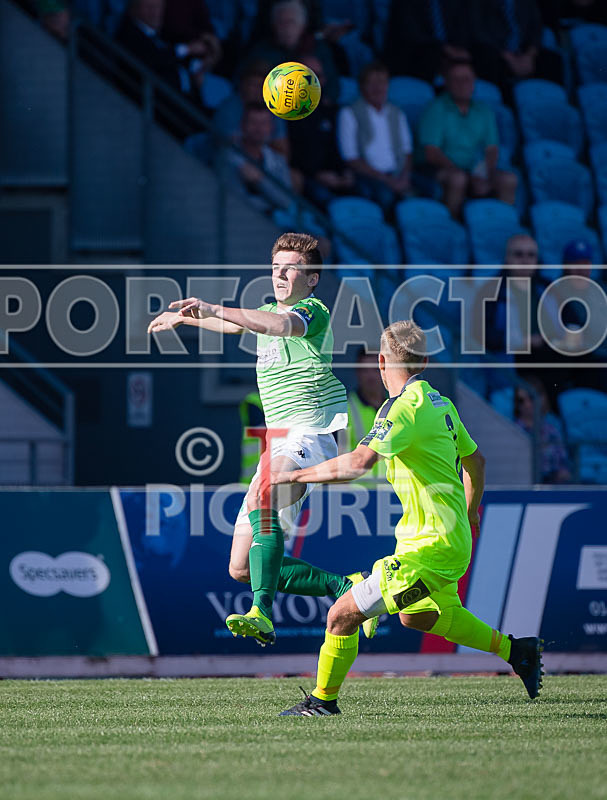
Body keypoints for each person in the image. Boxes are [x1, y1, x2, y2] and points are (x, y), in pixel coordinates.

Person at [272, 320, 543, 716]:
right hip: (446, 540)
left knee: (341, 615)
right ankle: (517, 650)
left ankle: (322, 701)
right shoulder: (439, 402)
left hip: (430, 548)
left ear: (382, 361)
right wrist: (470, 511)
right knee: (419, 617)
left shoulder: (403, 409)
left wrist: (295, 476)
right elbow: (476, 461)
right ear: (426, 362)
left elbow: (359, 463)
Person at [147, 233, 376, 645]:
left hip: (311, 431)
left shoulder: (313, 311)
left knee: (265, 496)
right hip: (280, 442)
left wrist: (218, 307)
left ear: (312, 278)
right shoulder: (267, 312)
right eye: (275, 268)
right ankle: (347, 587)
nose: (280, 275)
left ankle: (262, 613)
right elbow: (240, 326)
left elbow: (281, 325)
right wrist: (189, 319)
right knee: (240, 567)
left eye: (291, 268)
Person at [418, 59, 518, 220]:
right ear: (447, 83)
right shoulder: (435, 109)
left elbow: (491, 149)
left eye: (467, 79)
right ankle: (450, 226)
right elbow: (431, 153)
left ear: (474, 82)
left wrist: (484, 173)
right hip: (439, 170)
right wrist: (461, 172)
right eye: (456, 79)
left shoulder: (484, 111)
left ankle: (504, 226)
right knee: (458, 179)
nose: (462, 84)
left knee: (509, 179)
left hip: (473, 169)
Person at [337, 61, 413, 214]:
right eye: (371, 83)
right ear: (361, 86)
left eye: (382, 82)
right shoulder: (349, 113)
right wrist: (386, 180)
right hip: (369, 176)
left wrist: (404, 178)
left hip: (397, 174)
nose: (378, 88)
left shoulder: (397, 113)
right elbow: (351, 158)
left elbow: (407, 152)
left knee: (430, 190)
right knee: (385, 196)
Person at [288, 55, 355, 207]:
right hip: (306, 178)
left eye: (318, 76)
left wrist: (345, 172)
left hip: (335, 176)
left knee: (363, 195)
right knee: (326, 201)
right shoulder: (288, 113)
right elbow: (291, 155)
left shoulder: (331, 111)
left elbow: (337, 147)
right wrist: (318, 175)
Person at [244, 0, 340, 104]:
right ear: (273, 26)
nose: (286, 28)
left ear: (302, 25)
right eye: (281, 22)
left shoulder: (319, 49)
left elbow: (333, 89)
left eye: (291, 22)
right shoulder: (261, 51)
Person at [468, 0, 563, 102]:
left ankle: (552, 104)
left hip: (524, 51)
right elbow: (479, 32)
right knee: (488, 60)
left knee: (553, 60)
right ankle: (506, 105)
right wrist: (509, 58)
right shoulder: (478, 3)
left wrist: (530, 55)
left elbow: (536, 27)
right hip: (496, 51)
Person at [116, 0, 206, 100]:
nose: (155, 12)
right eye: (149, 7)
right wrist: (186, 49)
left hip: (184, 101)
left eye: (158, 7)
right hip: (157, 104)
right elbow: (152, 59)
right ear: (135, 9)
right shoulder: (129, 34)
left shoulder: (161, 34)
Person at [223, 103, 297, 215]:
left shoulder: (278, 160)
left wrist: (260, 181)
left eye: (264, 123)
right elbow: (233, 200)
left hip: (272, 222)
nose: (259, 129)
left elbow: (286, 201)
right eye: (253, 123)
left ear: (271, 128)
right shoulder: (228, 156)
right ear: (242, 125)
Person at [213, 61, 289, 157]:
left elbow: (282, 151)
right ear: (243, 84)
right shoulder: (229, 108)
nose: (255, 90)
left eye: (261, 86)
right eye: (252, 84)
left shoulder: (274, 110)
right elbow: (226, 146)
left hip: (261, 163)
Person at [385, 0, 471, 83]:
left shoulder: (452, 2)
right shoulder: (407, 2)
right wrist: (443, 48)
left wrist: (460, 49)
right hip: (417, 54)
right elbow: (411, 33)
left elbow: (461, 28)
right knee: (431, 54)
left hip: (448, 53)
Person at [338, 348, 387, 484]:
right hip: (359, 496)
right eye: (365, 370)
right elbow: (339, 461)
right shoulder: (344, 410)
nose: (370, 376)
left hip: (395, 496)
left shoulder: (397, 407)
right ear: (357, 373)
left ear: (385, 372)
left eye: (375, 369)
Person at [514, 377, 572, 484]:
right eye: (521, 400)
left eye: (531, 398)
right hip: (521, 484)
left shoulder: (552, 430)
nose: (527, 404)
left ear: (542, 398)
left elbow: (563, 465)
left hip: (551, 486)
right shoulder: (511, 430)